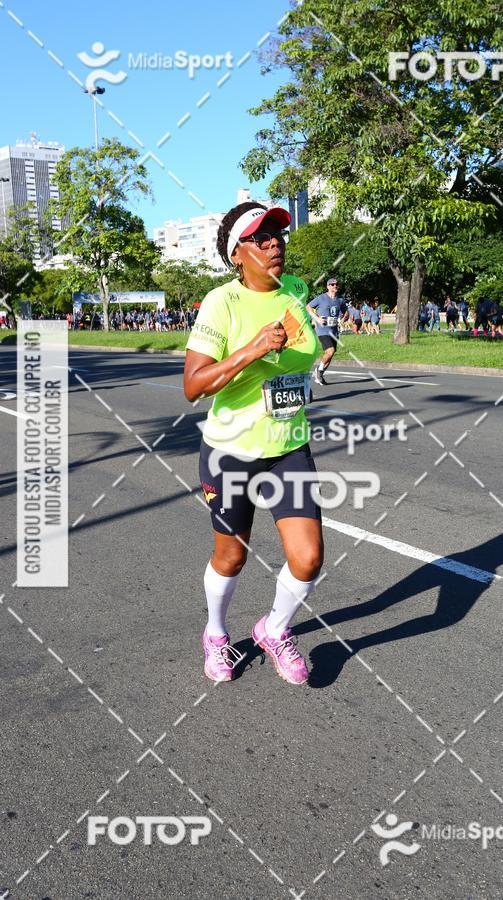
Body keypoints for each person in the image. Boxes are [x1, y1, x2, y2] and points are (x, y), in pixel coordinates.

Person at [183, 201, 323, 686]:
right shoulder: (221, 302)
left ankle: (273, 629)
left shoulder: (297, 291)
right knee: (232, 556)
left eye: (278, 236)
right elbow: (194, 385)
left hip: (288, 445)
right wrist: (253, 349)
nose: (275, 244)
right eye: (261, 239)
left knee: (307, 559)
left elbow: (305, 343)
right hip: (230, 452)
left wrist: (320, 345)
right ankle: (216, 635)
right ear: (237, 254)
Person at [307, 278, 347, 385]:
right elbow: (308, 307)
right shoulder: (321, 298)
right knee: (330, 350)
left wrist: (342, 320)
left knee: (331, 354)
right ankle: (318, 371)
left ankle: (320, 374)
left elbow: (346, 312)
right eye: (332, 284)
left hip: (334, 330)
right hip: (322, 330)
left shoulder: (340, 300)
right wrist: (317, 318)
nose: (335, 286)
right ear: (328, 286)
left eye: (336, 284)